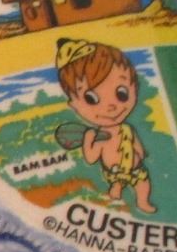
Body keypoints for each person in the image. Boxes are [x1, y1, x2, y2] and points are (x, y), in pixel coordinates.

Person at [57, 38, 156, 214]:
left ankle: (143, 202)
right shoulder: (100, 137)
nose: (112, 106)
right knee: (116, 189)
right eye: (91, 99)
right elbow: (91, 158)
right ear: (74, 106)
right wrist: (88, 140)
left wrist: (140, 152)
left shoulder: (128, 129)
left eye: (121, 93)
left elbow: (135, 143)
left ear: (134, 87)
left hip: (136, 169)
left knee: (143, 185)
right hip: (115, 173)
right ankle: (114, 199)